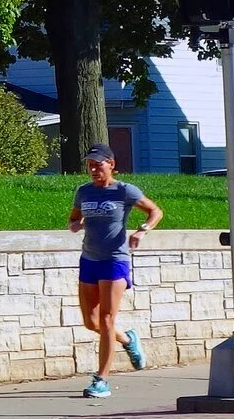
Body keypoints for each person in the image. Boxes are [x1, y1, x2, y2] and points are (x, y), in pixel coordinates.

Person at [68, 143, 161, 398]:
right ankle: (129, 340)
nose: (94, 168)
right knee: (92, 322)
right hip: (89, 259)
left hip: (114, 260)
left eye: (99, 164)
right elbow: (73, 217)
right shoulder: (84, 191)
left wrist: (142, 230)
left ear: (111, 164)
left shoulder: (124, 191)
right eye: (90, 164)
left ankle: (102, 380)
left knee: (107, 319)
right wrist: (76, 224)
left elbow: (155, 210)